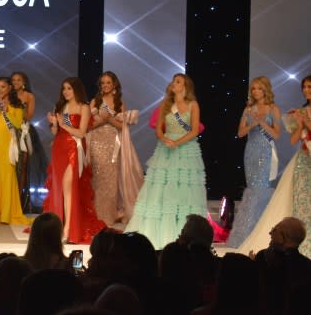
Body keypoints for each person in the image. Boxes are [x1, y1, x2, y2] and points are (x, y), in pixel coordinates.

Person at [126, 73, 207, 249]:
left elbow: (194, 130)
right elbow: (158, 130)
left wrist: (177, 142)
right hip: (166, 149)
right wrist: (164, 140)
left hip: (186, 150)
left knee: (184, 190)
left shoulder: (193, 105)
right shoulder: (166, 105)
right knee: (162, 189)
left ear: (185, 87)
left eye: (178, 82)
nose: (173, 83)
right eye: (173, 81)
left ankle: (184, 232)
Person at [238, 75, 311, 257]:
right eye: (304, 87)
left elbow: (277, 134)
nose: (306, 90)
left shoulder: (278, 110)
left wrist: (306, 122)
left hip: (274, 152)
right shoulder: (301, 111)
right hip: (302, 159)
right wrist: (300, 123)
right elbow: (294, 139)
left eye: (310, 86)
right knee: (302, 202)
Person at [44, 77, 105, 244]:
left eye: (69, 88)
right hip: (59, 149)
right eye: (64, 88)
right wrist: (55, 124)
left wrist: (63, 125)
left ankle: (68, 229)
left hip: (74, 149)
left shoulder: (84, 107)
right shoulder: (60, 106)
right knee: (59, 188)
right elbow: (56, 133)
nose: (65, 91)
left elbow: (81, 133)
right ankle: (59, 226)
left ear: (76, 89)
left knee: (68, 186)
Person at [226, 76, 281, 247]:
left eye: (258, 88)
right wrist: (252, 123)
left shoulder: (273, 109)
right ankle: (246, 234)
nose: (255, 91)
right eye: (253, 88)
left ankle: (263, 233)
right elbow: (241, 133)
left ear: (265, 89)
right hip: (251, 152)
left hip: (266, 152)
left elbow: (277, 134)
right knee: (252, 190)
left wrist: (262, 122)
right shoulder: (248, 109)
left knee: (262, 190)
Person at [86, 71, 144, 226]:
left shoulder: (119, 103)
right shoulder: (94, 101)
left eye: (108, 83)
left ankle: (109, 215)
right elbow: (87, 125)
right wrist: (101, 120)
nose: (105, 85)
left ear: (114, 85)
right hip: (96, 143)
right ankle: (96, 213)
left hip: (113, 144)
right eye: (103, 83)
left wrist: (109, 118)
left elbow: (122, 126)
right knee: (97, 179)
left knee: (111, 180)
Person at [0, 76, 31, 225]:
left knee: (8, 174)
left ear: (10, 88)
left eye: (3, 86)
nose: (0, 90)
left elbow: (18, 124)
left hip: (9, 143)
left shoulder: (17, 106)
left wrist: (8, 110)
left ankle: (7, 215)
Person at [10, 71, 48, 212]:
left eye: (18, 80)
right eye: (13, 80)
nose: (15, 83)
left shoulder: (29, 96)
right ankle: (9, 201)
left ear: (24, 82)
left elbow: (29, 116)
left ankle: (20, 202)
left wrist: (18, 108)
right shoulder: (8, 95)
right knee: (11, 168)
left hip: (24, 132)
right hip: (9, 132)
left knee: (23, 168)